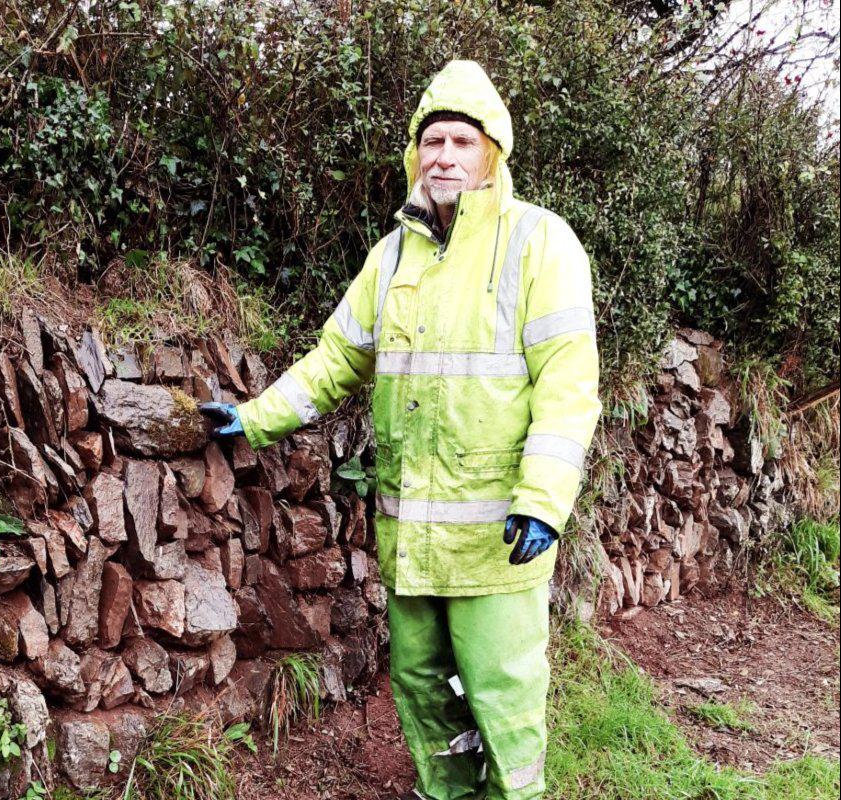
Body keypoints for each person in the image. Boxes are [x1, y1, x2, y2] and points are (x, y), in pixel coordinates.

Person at [201, 60, 601, 800]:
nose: (444, 155)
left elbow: (569, 388)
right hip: (411, 536)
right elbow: (334, 362)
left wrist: (543, 500)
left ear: (492, 153)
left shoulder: (539, 243)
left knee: (501, 692)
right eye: (431, 141)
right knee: (420, 687)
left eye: (461, 141)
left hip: (498, 537)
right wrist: (255, 417)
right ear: (413, 155)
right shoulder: (390, 257)